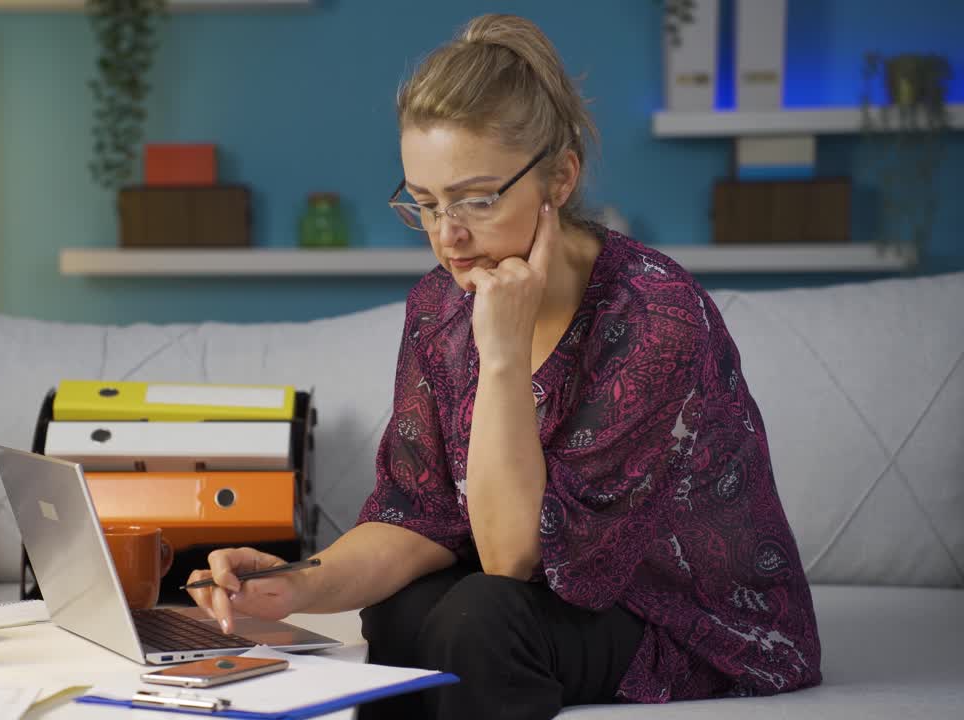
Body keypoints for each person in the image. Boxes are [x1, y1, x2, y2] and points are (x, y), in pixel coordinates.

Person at [187, 13, 821, 719]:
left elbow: (511, 558)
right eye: (424, 204)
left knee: (481, 619)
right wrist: (297, 585)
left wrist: (504, 357)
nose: (447, 237)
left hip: (689, 621)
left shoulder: (655, 316)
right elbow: (419, 512)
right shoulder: (440, 303)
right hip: (551, 593)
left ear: (560, 178)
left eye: (476, 199)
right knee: (400, 611)